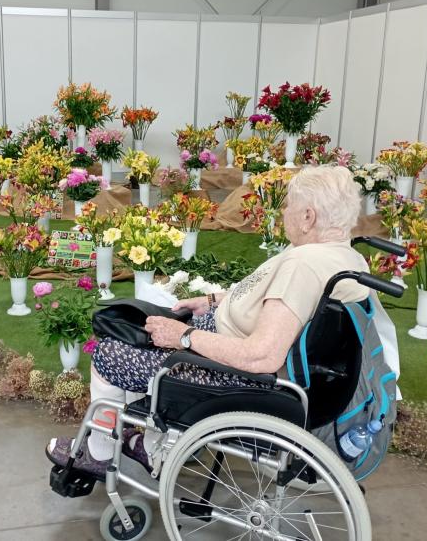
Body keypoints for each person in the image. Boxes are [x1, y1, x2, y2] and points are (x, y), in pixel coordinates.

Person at [47, 166, 377, 476]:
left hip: (237, 375)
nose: (284, 212)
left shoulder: (303, 266)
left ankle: (101, 452)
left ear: (308, 216)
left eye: (290, 205)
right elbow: (272, 301)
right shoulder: (346, 257)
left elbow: (262, 356)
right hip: (231, 344)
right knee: (132, 326)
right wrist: (212, 301)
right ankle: (150, 444)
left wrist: (184, 336)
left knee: (109, 352)